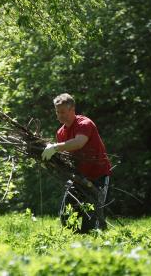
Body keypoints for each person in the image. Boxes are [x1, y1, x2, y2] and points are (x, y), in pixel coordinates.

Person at [42, 93, 111, 232]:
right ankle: (71, 246)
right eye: (57, 112)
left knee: (90, 222)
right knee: (66, 216)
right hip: (78, 178)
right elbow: (65, 156)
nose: (59, 115)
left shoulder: (84, 124)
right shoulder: (61, 132)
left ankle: (94, 244)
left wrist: (55, 147)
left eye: (63, 112)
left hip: (98, 176)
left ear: (72, 109)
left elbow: (79, 143)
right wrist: (49, 161)